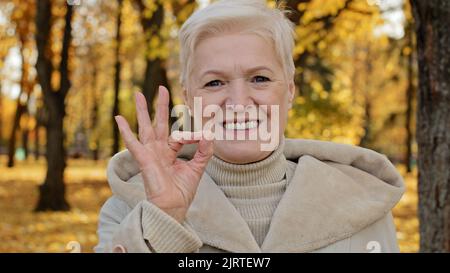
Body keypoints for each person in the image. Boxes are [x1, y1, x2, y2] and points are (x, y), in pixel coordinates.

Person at [95, 0, 405, 253]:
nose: (239, 102)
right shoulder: (130, 208)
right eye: (214, 82)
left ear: (290, 89)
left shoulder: (362, 205)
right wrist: (163, 220)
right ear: (189, 98)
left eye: (260, 78)